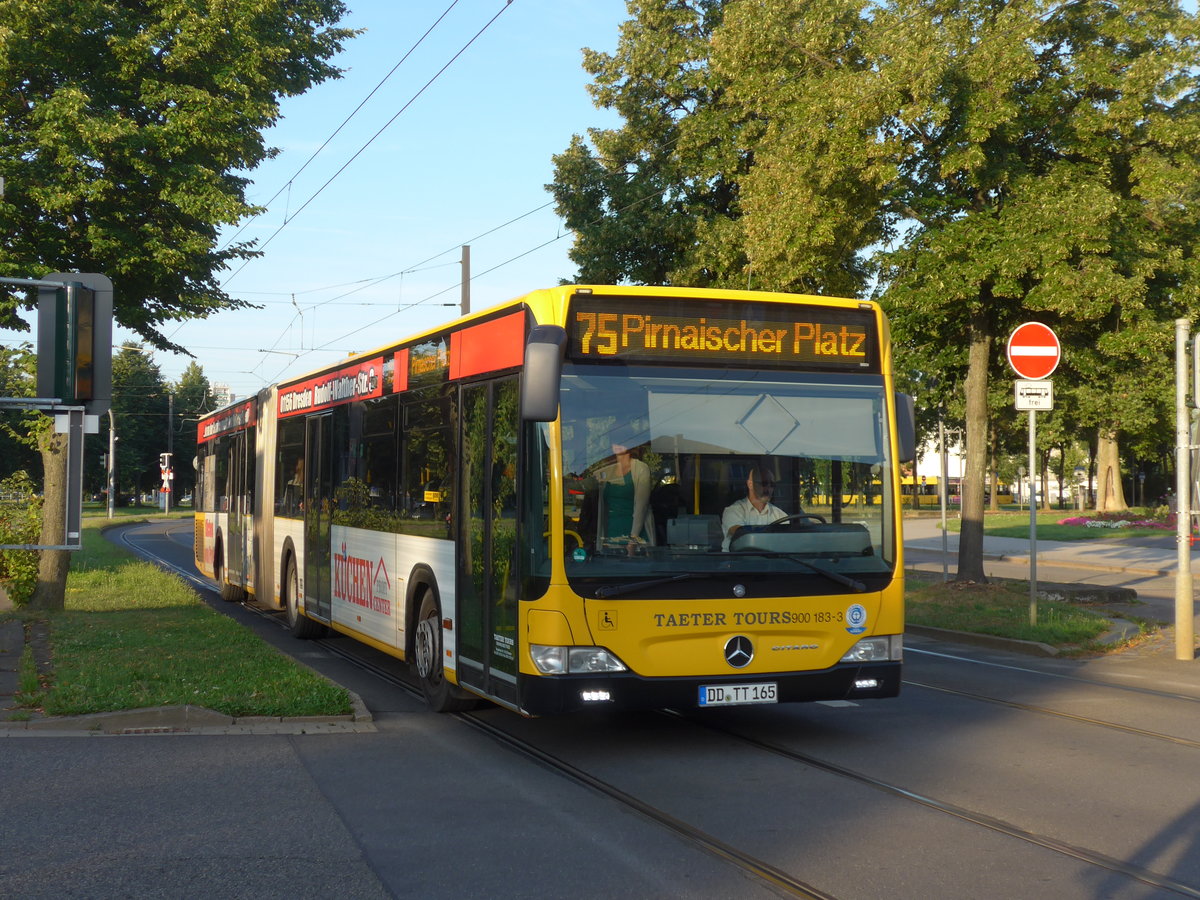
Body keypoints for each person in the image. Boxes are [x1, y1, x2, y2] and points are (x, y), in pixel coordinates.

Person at [595, 425, 655, 551]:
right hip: (610, 535)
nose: (618, 444)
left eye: (624, 440)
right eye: (615, 440)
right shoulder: (605, 470)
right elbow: (585, 485)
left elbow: (641, 506)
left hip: (636, 537)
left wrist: (633, 539)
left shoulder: (641, 469)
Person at [722, 464, 787, 551]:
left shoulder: (780, 515)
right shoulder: (733, 511)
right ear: (750, 484)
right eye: (764, 483)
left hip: (770, 563)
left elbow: (787, 541)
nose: (768, 488)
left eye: (772, 484)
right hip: (738, 562)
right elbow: (739, 533)